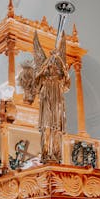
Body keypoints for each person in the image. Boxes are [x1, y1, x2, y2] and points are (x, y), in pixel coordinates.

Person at [19, 31, 70, 163]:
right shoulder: (43, 78)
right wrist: (49, 60)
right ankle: (46, 154)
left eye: (55, 67)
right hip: (47, 101)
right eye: (51, 67)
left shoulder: (59, 79)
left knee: (57, 129)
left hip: (58, 103)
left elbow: (67, 80)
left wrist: (58, 57)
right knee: (47, 128)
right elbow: (36, 79)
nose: (53, 68)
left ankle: (57, 155)